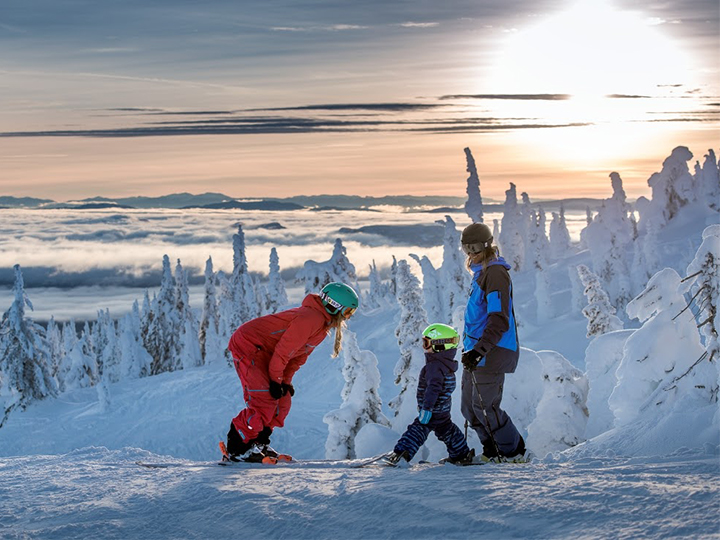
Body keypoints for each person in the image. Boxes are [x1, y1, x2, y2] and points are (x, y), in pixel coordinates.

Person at [223, 281, 359, 462]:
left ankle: (259, 444)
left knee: (282, 402)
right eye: (347, 312)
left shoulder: (322, 327)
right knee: (263, 399)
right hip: (249, 344)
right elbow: (283, 352)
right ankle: (238, 448)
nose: (348, 317)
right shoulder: (311, 319)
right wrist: (275, 380)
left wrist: (284, 382)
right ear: (334, 306)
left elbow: (297, 358)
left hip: (268, 352)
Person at [459, 222, 526, 462]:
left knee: (485, 407)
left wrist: (479, 351)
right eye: (467, 249)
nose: (471, 254)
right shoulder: (481, 273)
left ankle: (513, 451)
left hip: (492, 351)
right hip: (477, 350)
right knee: (469, 407)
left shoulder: (495, 274)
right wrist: (471, 349)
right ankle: (492, 450)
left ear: (487, 246)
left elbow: (499, 320)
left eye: (475, 248)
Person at [386, 323, 474, 466]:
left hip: (432, 411)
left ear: (439, 345)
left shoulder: (434, 367)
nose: (424, 347)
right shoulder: (446, 364)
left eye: (426, 343)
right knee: (448, 431)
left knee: (417, 430)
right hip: (442, 411)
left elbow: (433, 389)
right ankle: (461, 454)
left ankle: (401, 454)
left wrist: (427, 409)